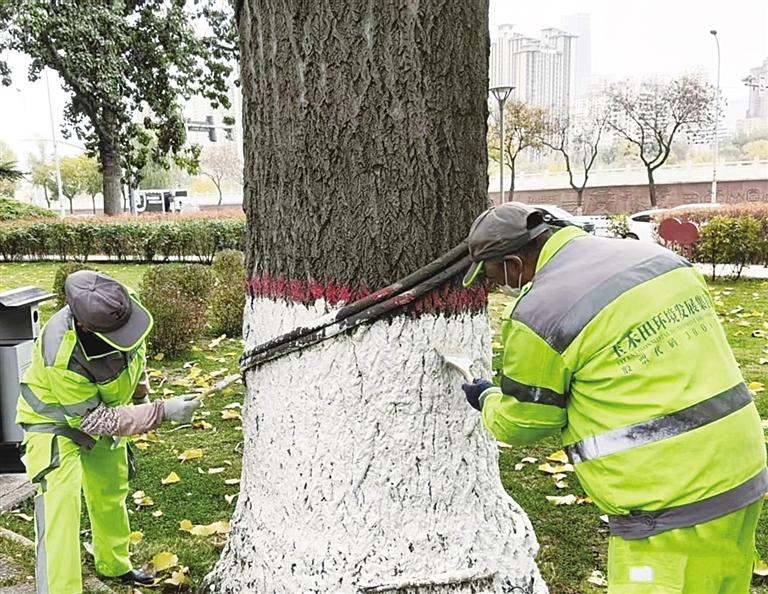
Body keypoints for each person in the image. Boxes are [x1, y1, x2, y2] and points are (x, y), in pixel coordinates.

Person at [460, 202, 767, 594]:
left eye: (490, 274)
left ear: (513, 264)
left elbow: (524, 423)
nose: (493, 285)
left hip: (669, 500)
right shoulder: (656, 258)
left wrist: (487, 397)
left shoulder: (539, 313)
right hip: (740, 468)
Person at [15, 271, 202, 594]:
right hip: (54, 423)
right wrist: (161, 412)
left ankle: (115, 565)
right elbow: (95, 421)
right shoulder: (61, 353)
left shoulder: (122, 304)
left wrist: (143, 397)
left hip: (107, 408)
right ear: (86, 326)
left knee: (111, 491)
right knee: (60, 509)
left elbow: (135, 355)